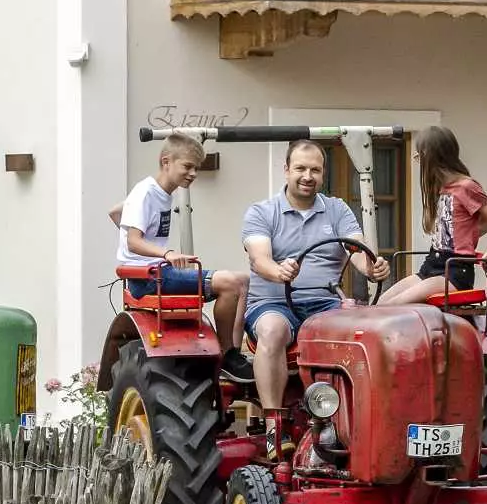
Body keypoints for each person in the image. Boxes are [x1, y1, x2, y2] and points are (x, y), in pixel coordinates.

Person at [238, 139, 388, 413]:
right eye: (300, 168)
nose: (308, 176)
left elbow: (355, 248)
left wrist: (370, 267)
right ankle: (275, 424)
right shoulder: (262, 212)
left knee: (366, 333)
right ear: (286, 170)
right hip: (273, 305)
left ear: (322, 174)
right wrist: (280, 271)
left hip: (324, 305)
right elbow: (260, 260)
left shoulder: (337, 209)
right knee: (273, 331)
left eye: (315, 170)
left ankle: (358, 416)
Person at [115, 132, 244, 344]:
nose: (193, 173)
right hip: (148, 279)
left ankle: (237, 349)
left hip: (159, 272)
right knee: (230, 283)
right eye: (187, 166)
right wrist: (167, 253)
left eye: (196, 168)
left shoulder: (161, 193)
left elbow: (115, 212)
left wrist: (127, 226)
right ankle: (228, 352)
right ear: (166, 162)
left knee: (242, 280)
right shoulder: (146, 193)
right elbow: (133, 241)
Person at [384, 125, 487, 307]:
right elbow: (466, 226)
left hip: (454, 272)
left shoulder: (466, 187)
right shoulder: (442, 188)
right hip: (431, 265)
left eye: (419, 155)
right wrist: (466, 235)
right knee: (380, 304)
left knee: (392, 306)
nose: (417, 160)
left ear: (429, 155)